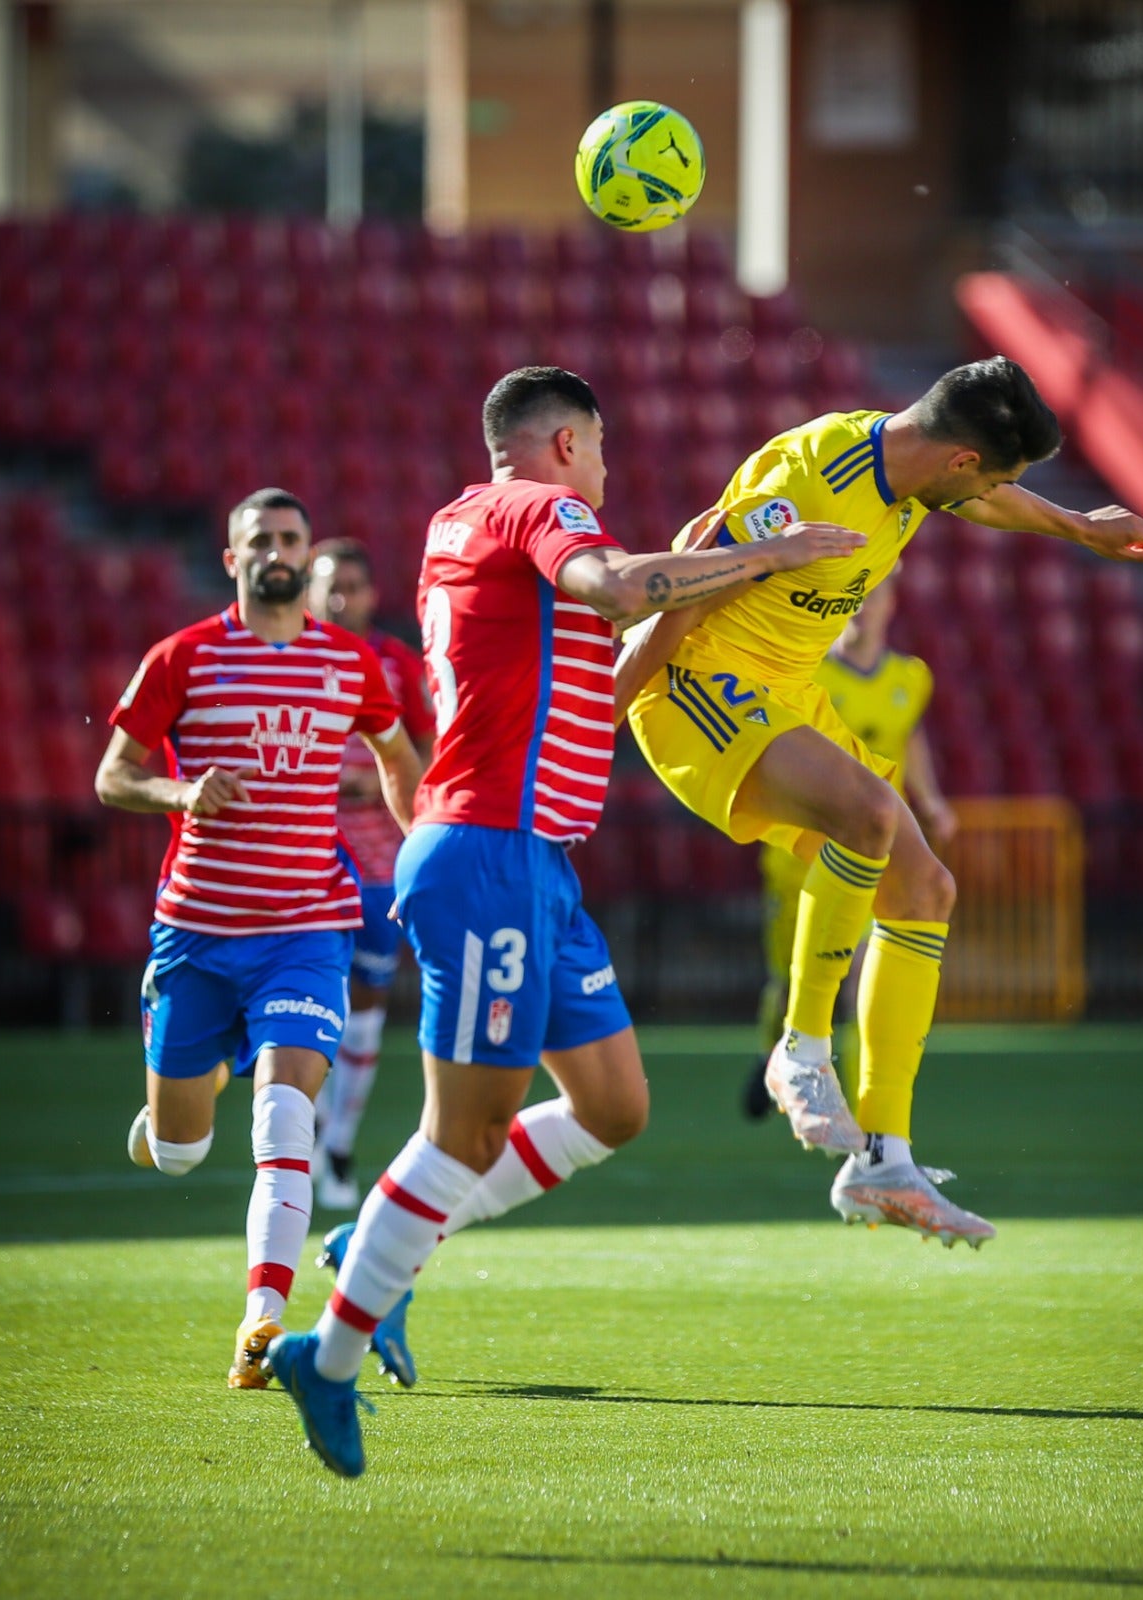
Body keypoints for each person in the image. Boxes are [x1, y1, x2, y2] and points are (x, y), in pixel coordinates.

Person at [265, 365, 867, 1476]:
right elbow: (612, 583)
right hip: (488, 851)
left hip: (530, 862)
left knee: (613, 1105)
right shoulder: (540, 509)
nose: (604, 473)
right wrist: (768, 556)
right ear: (560, 444)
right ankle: (331, 1349)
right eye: (598, 451)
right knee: (467, 1131)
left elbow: (608, 654)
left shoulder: (467, 528)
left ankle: (383, 1247)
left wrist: (693, 594)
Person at [617, 356, 1143, 1246]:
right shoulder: (809, 479)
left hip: (788, 693)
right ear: (958, 460)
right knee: (869, 816)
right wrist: (599, 711)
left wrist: (1078, 528)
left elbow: (988, 501)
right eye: (997, 473)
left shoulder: (918, 474)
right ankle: (799, 1049)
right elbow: (684, 582)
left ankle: (883, 1163)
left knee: (925, 889)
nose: (997, 493)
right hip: (693, 685)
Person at [94, 487, 423, 1389]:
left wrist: (422, 842)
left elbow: (400, 758)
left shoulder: (351, 663)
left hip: (308, 927)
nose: (277, 551)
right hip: (198, 933)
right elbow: (113, 775)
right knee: (181, 1151)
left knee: (284, 1117)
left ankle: (262, 1323)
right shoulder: (185, 658)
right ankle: (167, 1112)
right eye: (260, 540)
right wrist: (179, 793)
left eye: (291, 538)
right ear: (233, 558)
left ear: (305, 554)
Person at [743, 562, 957, 1119]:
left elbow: (908, 741)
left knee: (863, 971)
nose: (864, 605)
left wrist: (929, 801)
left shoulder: (910, 678)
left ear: (891, 603)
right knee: (793, 977)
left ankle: (868, 1103)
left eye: (876, 593)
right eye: (855, 595)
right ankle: (772, 1052)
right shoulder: (809, 673)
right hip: (799, 854)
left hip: (870, 851)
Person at [307, 538, 436, 1211]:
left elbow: (426, 743)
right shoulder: (289, 659)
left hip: (380, 854)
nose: (338, 599)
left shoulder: (395, 664)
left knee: (366, 1006)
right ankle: (308, 1131)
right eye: (328, 586)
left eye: (351, 586)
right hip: (307, 851)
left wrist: (385, 787)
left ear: (370, 595)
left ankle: (338, 1138)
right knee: (306, 988)